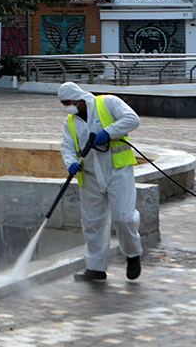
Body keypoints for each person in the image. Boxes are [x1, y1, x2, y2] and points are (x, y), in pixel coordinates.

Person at [58, 81, 143, 282]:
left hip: (117, 170)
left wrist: (109, 132)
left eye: (68, 102)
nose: (66, 107)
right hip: (90, 176)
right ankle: (95, 268)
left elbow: (133, 119)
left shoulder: (108, 103)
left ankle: (132, 255)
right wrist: (70, 163)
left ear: (78, 98)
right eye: (63, 103)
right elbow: (67, 147)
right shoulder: (70, 122)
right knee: (92, 222)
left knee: (124, 217)